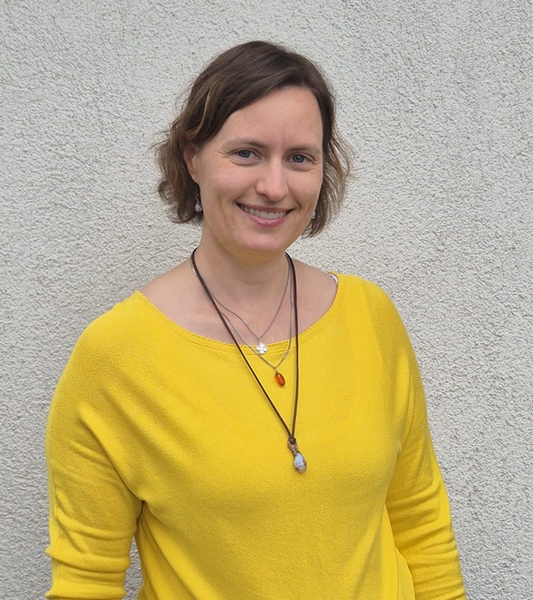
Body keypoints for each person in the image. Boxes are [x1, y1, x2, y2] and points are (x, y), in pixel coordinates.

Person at [45, 41, 466, 599]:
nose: (274, 186)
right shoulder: (116, 356)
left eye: (300, 158)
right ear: (192, 157)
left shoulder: (371, 317)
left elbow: (420, 521)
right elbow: (86, 581)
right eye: (246, 153)